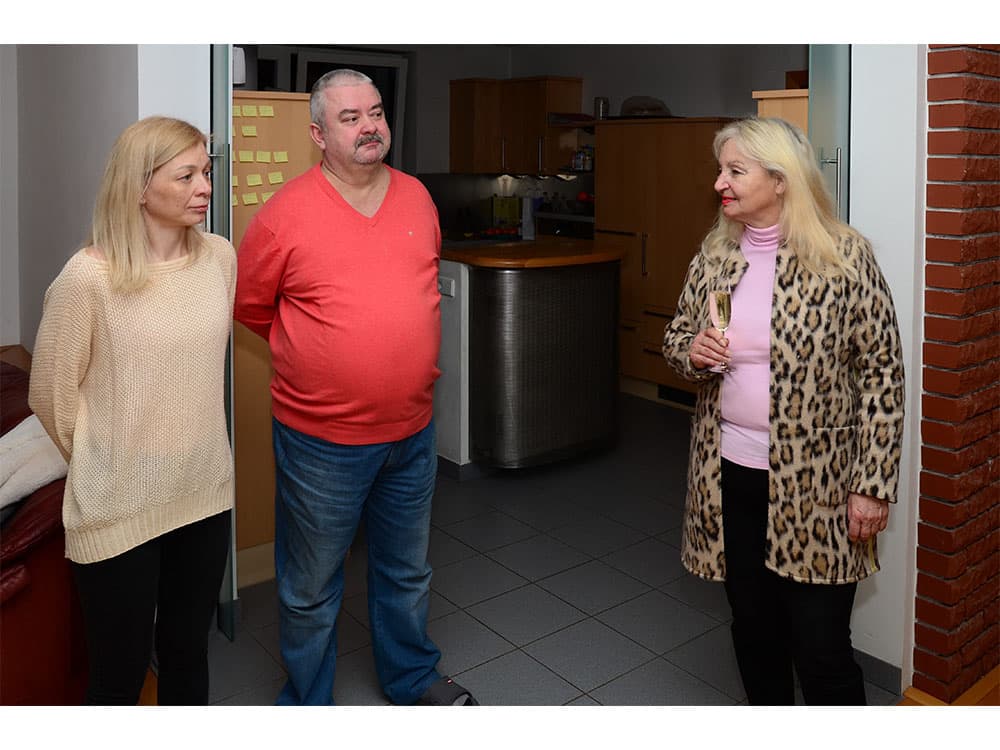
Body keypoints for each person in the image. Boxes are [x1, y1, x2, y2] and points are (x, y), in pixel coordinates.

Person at [234, 69, 477, 706]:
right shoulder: (285, 213)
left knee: (406, 571)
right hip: (321, 442)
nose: (370, 127)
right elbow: (253, 306)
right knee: (311, 585)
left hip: (412, 432)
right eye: (350, 118)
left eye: (376, 113)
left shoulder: (417, 198)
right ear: (318, 134)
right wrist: (317, 355)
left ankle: (411, 677)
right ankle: (308, 701)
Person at [661, 117, 905, 705]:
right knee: (754, 630)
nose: (719, 183)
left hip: (819, 484)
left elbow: (883, 375)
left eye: (734, 171)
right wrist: (692, 351)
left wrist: (872, 485)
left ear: (780, 179)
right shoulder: (716, 255)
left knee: (821, 648)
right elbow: (676, 338)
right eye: (720, 170)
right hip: (730, 475)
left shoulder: (844, 257)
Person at [29, 116, 236, 705]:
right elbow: (50, 395)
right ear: (139, 187)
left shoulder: (220, 258)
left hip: (203, 493)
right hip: (118, 506)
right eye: (186, 176)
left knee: (187, 656)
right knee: (118, 677)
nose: (205, 188)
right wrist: (107, 461)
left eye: (207, 172)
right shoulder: (88, 278)